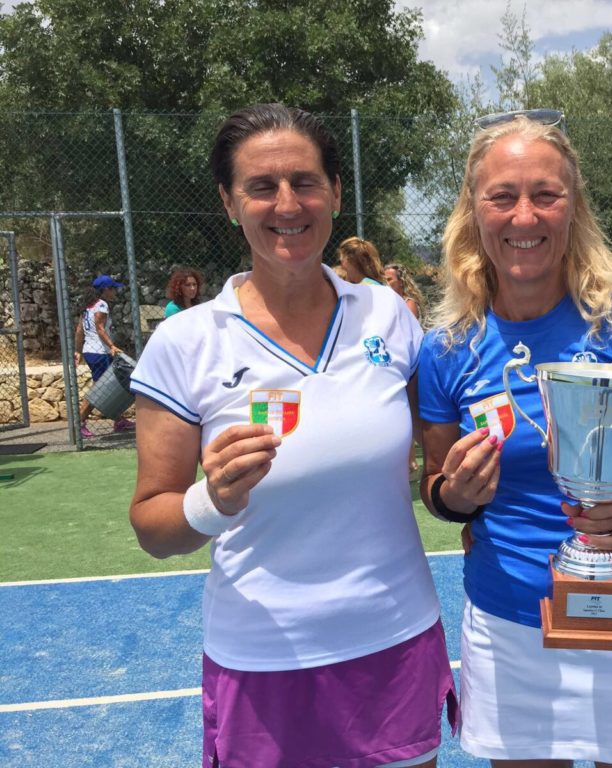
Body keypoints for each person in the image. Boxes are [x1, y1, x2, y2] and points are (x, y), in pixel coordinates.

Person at [128, 103, 455, 768]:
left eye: (305, 182)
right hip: (262, 657)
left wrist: (463, 486)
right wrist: (212, 499)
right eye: (261, 187)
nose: (286, 204)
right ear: (229, 203)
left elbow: (439, 473)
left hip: (394, 641)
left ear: (334, 192)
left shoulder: (388, 316)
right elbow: (153, 526)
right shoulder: (186, 342)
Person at [417, 110, 612, 768]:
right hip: (508, 624)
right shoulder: (446, 348)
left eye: (546, 194)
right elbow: (433, 486)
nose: (525, 216)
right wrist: (456, 495)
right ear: (474, 211)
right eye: (503, 197)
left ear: (574, 207)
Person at [75, 274, 133, 438]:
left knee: (110, 386)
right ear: (106, 289)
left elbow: (79, 330)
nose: (115, 292)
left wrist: (78, 351)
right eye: (113, 288)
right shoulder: (101, 305)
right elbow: (100, 328)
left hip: (91, 351)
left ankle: (119, 420)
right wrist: (112, 346)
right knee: (99, 389)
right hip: (100, 352)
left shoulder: (88, 306)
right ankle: (79, 423)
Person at [384, 262, 428, 475]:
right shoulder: (386, 304)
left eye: (390, 279)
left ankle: (411, 461)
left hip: (409, 362)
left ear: (401, 282)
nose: (386, 283)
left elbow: (404, 336)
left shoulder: (407, 304)